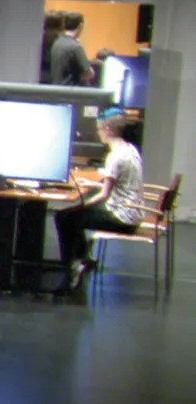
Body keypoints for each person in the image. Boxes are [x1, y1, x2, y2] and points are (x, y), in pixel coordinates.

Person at [54, 113, 144, 292]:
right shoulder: (130, 149)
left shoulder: (115, 157)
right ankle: (81, 258)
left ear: (108, 129)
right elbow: (116, 182)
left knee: (65, 217)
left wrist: (81, 206)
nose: (99, 133)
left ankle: (72, 267)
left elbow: (103, 195)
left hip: (122, 218)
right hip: (132, 213)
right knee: (73, 217)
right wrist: (92, 184)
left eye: (99, 129)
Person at [48, 15, 93, 87]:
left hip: (56, 89)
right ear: (80, 26)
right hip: (71, 92)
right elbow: (88, 73)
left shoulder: (57, 42)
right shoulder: (75, 47)